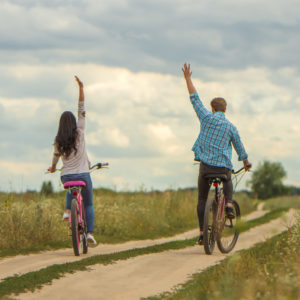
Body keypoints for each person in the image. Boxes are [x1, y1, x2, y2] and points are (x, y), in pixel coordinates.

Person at [182, 63, 252, 245]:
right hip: (222, 168)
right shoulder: (231, 127)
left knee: (202, 199)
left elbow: (194, 99)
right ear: (225, 110)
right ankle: (229, 204)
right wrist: (245, 162)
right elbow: (239, 146)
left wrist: (188, 78)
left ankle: (201, 233)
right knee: (228, 179)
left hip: (206, 168)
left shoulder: (205, 117)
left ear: (212, 109)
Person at [48, 76, 97, 246]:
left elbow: (55, 158)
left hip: (67, 176)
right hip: (83, 175)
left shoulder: (59, 139)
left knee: (70, 188)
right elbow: (81, 108)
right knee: (89, 204)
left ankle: (68, 211)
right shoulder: (80, 132)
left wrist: (53, 168)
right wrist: (81, 88)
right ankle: (89, 233)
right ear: (74, 122)